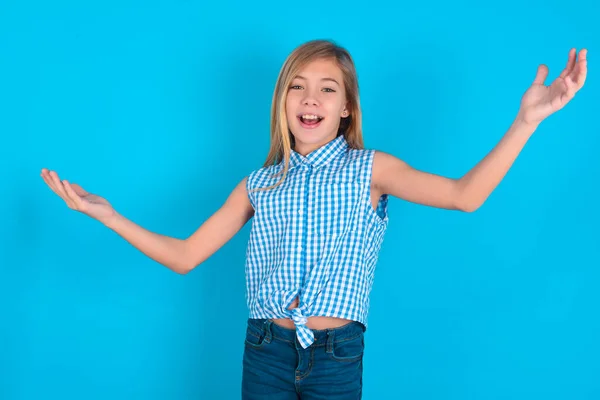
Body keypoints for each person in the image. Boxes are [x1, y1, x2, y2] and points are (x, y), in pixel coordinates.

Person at [41, 40, 588, 399]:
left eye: (328, 89)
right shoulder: (258, 184)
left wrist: (526, 121)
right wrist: (108, 216)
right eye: (297, 86)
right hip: (265, 351)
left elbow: (465, 196)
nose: (310, 98)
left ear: (346, 107)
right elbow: (186, 256)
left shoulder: (371, 169)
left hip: (336, 355)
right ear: (282, 101)